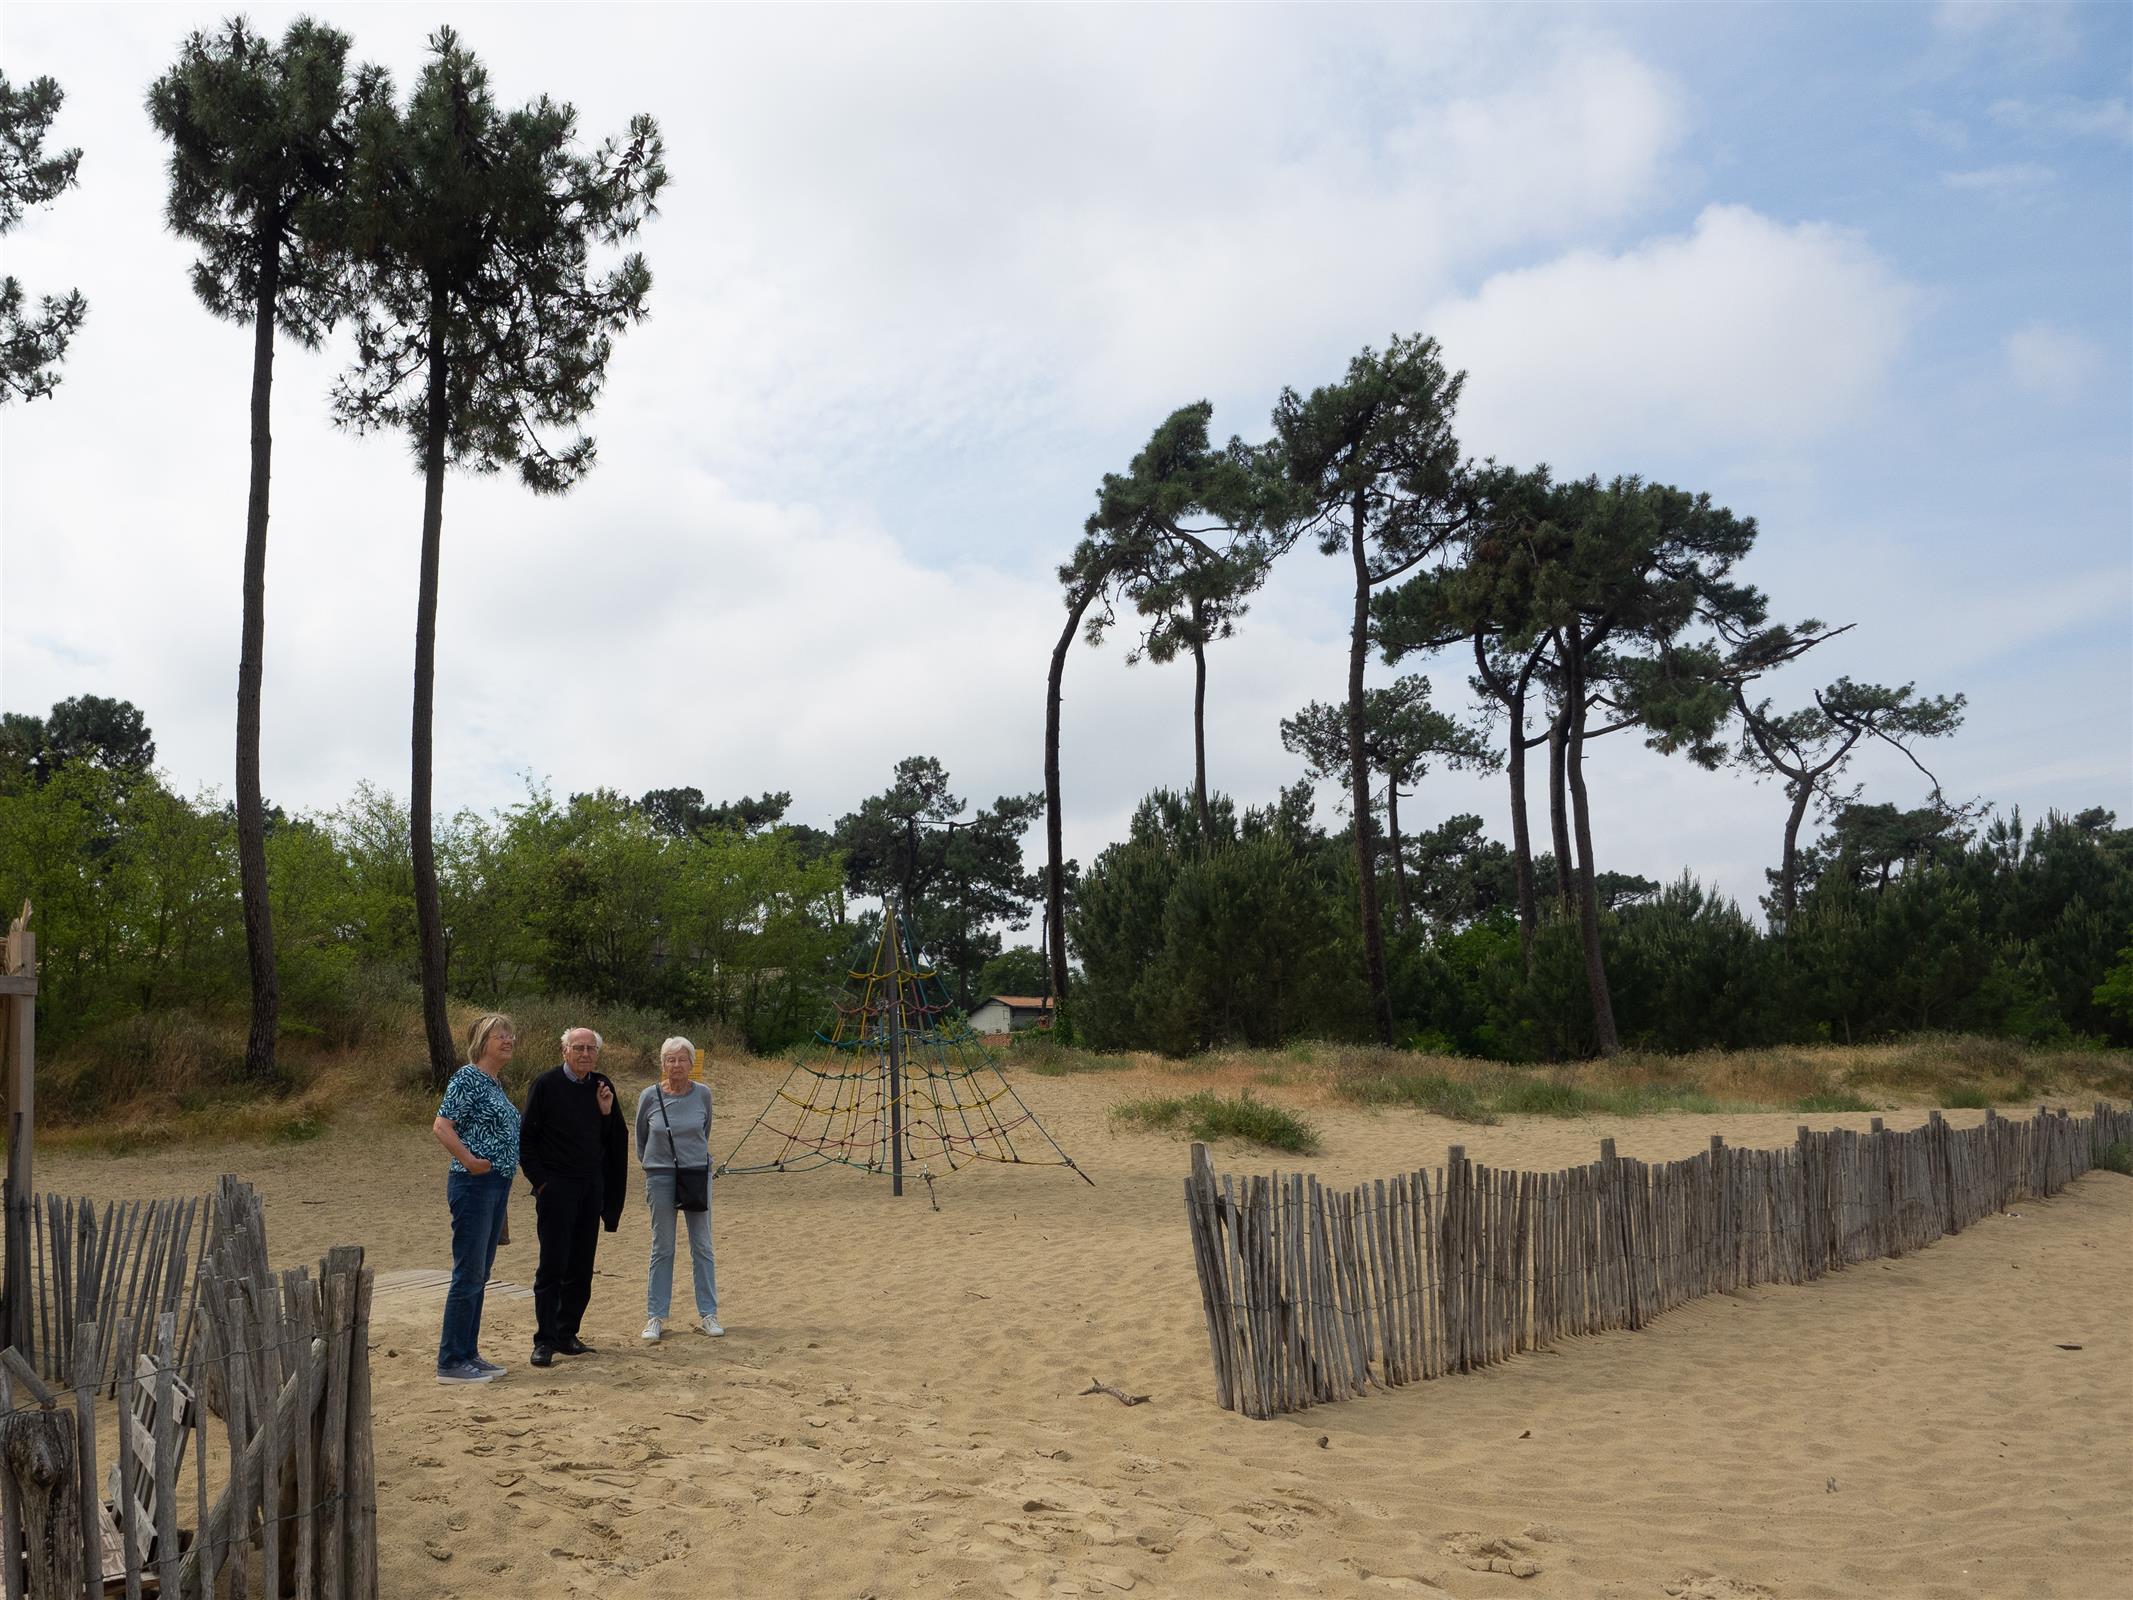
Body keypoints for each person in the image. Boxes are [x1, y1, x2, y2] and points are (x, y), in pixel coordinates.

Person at [518, 1026, 627, 1368]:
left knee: (581, 1266)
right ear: (564, 1050)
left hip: (589, 1188)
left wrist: (606, 1112)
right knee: (553, 1265)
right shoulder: (546, 1084)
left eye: (591, 1049)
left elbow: (613, 1139)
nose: (585, 1054)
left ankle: (567, 1333)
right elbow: (527, 1139)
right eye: (578, 1048)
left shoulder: (602, 1085)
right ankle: (545, 1340)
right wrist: (541, 1183)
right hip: (556, 1188)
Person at [432, 1012, 522, 1385]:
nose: (508, 1040)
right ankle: (451, 1360)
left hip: (497, 1185)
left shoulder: (494, 1083)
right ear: (482, 1042)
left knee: (480, 1273)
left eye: (510, 1035)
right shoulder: (467, 1077)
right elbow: (442, 1126)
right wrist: (469, 1160)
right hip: (474, 1185)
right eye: (500, 1035)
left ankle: (468, 1353)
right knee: (468, 1272)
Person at [635, 1037, 722, 1341]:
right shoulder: (649, 1096)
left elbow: (704, 1131)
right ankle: (655, 1316)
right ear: (663, 1064)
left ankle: (709, 1314)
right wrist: (655, 1165)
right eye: (670, 1060)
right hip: (659, 1176)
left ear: (691, 1063)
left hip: (695, 1175)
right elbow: (641, 1139)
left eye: (682, 1059)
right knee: (663, 1246)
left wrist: (690, 1161)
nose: (676, 1065)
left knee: (702, 1245)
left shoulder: (703, 1094)